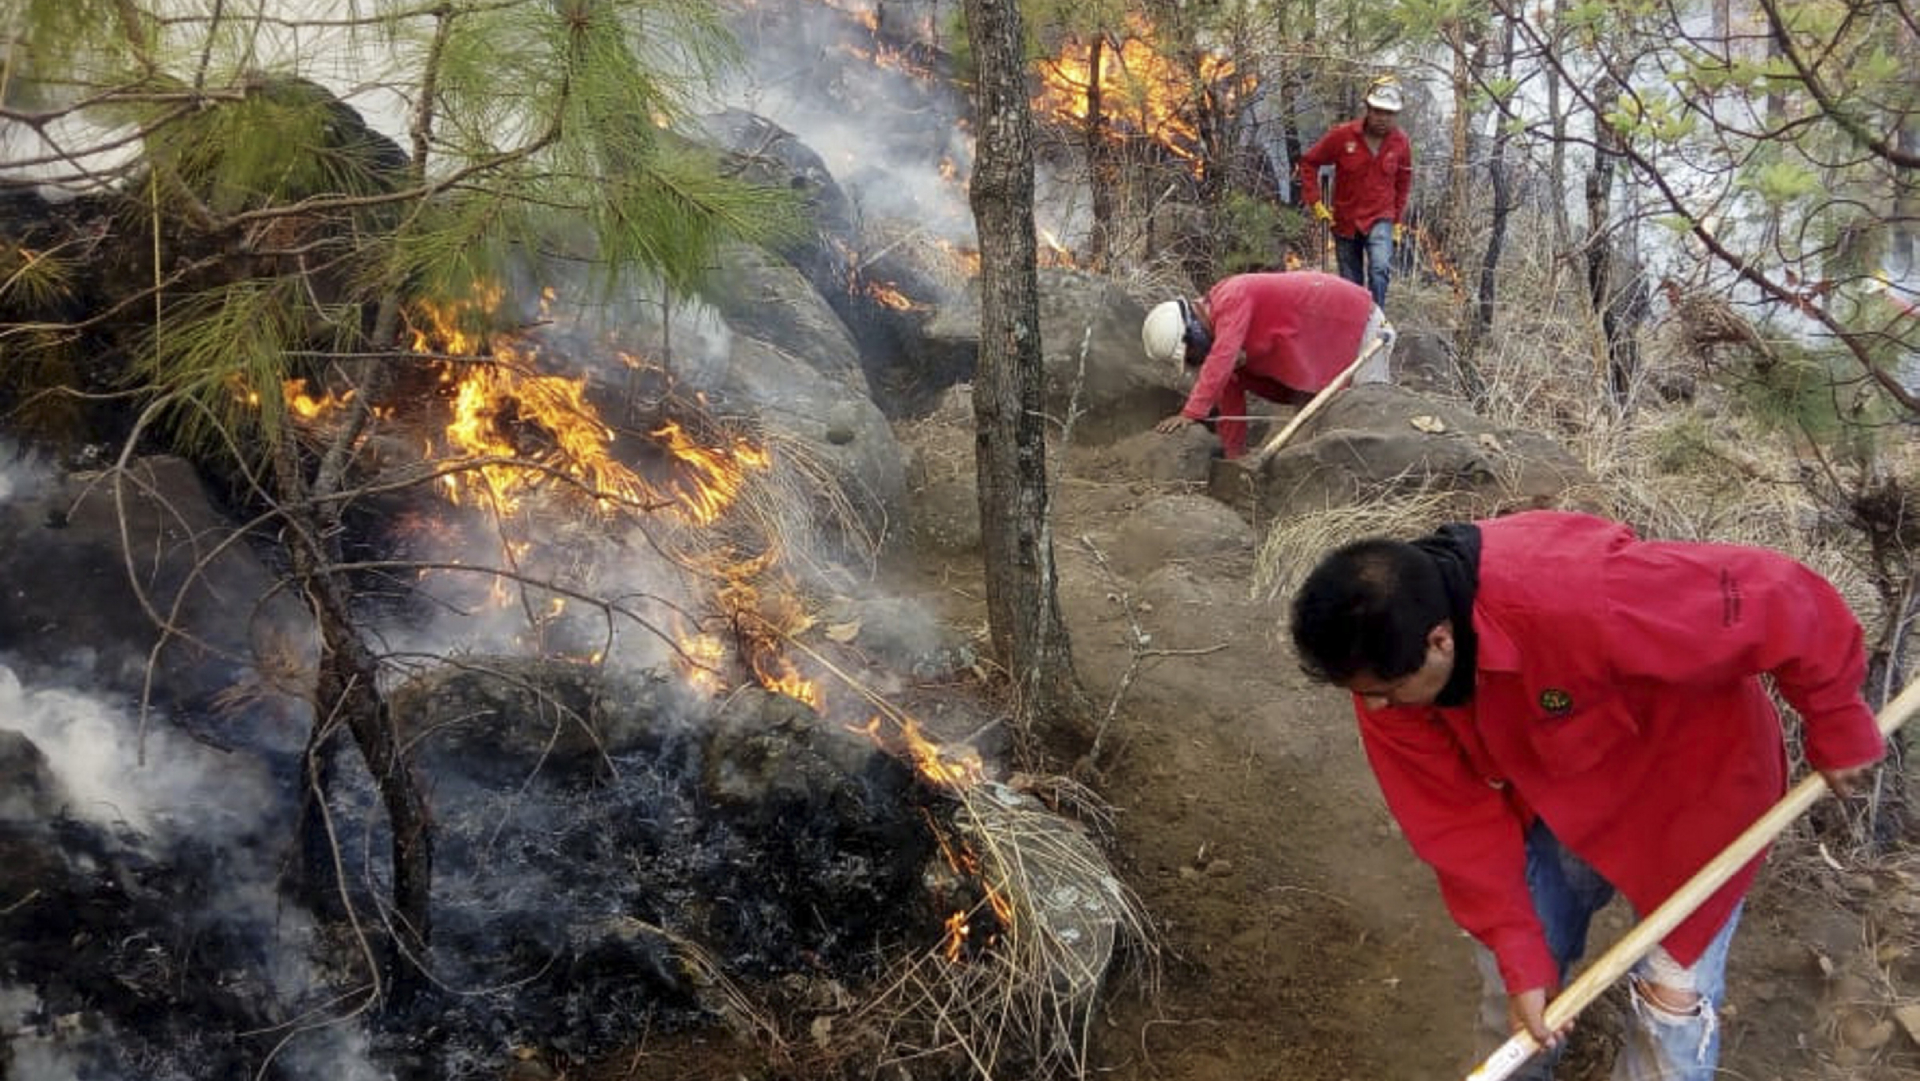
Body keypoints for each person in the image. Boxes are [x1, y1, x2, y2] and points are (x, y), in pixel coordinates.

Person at [1287, 510, 1885, 1081]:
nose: (1374, 708)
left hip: (1698, 785)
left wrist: (1836, 718)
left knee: (1668, 1003)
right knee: (1519, 978)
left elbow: (1780, 595)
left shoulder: (1577, 590)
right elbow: (1455, 820)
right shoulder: (1382, 669)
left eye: (1387, 691)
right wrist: (1519, 951)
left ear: (1440, 641)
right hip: (1564, 790)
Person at [1140, 270, 1394, 459]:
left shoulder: (1231, 297)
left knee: (1370, 422)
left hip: (1361, 326)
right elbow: (1230, 403)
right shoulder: (1227, 341)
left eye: (1192, 357)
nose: (1197, 364)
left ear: (1193, 332)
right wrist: (1234, 457)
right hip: (1325, 347)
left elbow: (1222, 359)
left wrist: (1191, 412)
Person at [1299, 75, 1414, 307]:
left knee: (1379, 268)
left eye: (1389, 113)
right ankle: (1355, 328)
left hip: (1381, 217)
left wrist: (1397, 221)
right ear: (1368, 109)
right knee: (1350, 285)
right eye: (1378, 111)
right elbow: (1309, 162)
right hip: (1346, 220)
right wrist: (1316, 202)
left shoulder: (1401, 143)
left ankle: (1377, 321)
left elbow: (1403, 181)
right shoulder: (1343, 136)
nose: (1383, 118)